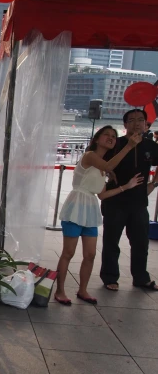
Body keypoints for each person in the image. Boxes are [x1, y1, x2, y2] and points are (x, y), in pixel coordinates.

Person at [55, 125, 143, 305]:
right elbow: (109, 165)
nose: (111, 138)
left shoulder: (104, 167)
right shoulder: (90, 156)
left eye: (114, 136)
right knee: (68, 252)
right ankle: (60, 290)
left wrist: (126, 187)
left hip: (91, 209)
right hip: (76, 205)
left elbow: (102, 195)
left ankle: (83, 290)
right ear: (97, 138)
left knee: (90, 254)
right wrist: (129, 146)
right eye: (107, 135)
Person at [100, 108, 158, 291]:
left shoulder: (150, 145)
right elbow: (98, 160)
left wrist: (154, 184)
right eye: (131, 120)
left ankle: (141, 277)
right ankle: (110, 277)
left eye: (140, 120)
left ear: (146, 124)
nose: (136, 123)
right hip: (115, 200)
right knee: (111, 241)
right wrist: (108, 172)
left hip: (139, 202)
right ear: (125, 125)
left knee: (141, 242)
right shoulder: (116, 143)